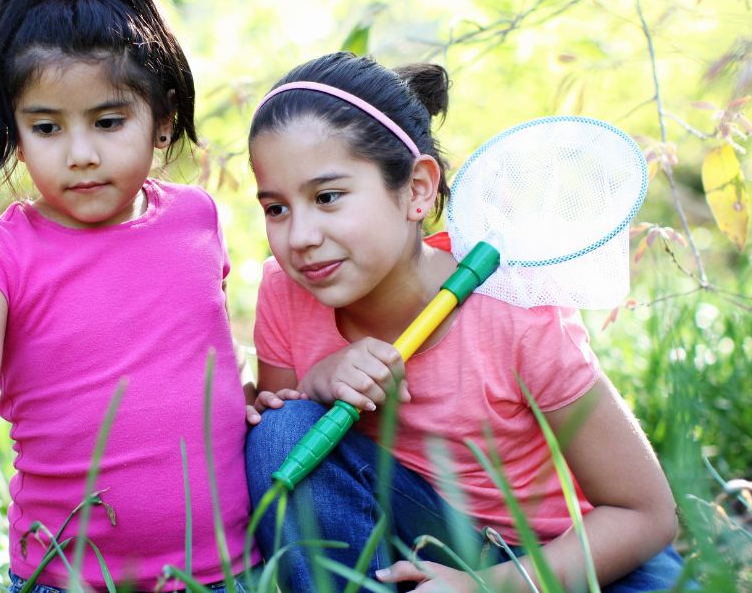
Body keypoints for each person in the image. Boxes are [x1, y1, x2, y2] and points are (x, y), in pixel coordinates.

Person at [242, 52, 684, 592]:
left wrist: (485, 586)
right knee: (281, 430)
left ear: (419, 189)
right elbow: (283, 449)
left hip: (550, 561)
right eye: (276, 209)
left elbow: (645, 513)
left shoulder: (515, 315)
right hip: (405, 543)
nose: (301, 236)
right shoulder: (285, 294)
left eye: (327, 197)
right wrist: (317, 381)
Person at [0, 0, 259, 591]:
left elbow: (204, 351)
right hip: (64, 577)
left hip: (221, 571)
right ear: (15, 131)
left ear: (162, 118)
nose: (79, 153)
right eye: (47, 127)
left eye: (108, 122)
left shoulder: (198, 218)